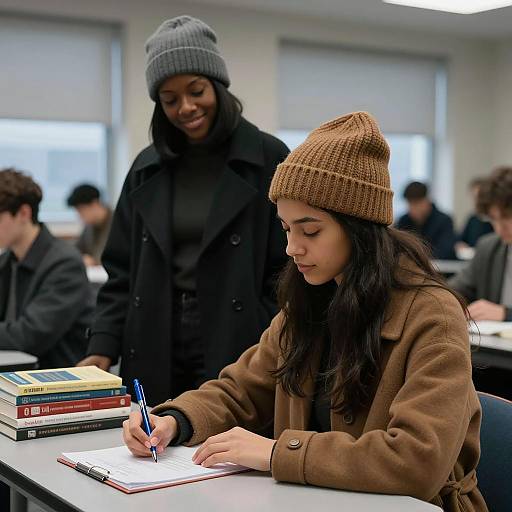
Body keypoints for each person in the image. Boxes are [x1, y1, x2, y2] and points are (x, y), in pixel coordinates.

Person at [124, 113, 486, 512]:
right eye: (285, 229)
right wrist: (175, 420)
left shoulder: (432, 316)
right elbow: (241, 390)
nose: (292, 247)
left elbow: (417, 461)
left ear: (360, 228)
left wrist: (280, 452)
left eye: (310, 231)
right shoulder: (308, 302)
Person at [78, 16, 289, 405]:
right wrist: (103, 346)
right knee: (153, 448)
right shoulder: (146, 167)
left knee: (226, 450)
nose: (186, 107)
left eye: (196, 91)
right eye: (170, 99)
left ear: (218, 86)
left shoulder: (269, 158)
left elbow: (290, 263)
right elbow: (121, 273)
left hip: (239, 333)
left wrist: (267, 325)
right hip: (156, 332)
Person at [0, 168, 92, 368]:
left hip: (52, 383)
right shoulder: (7, 260)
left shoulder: (65, 264)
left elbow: (29, 337)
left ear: (24, 213)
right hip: (14, 376)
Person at [449, 167, 512, 322]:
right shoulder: (489, 247)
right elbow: (454, 289)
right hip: (492, 345)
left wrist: (507, 314)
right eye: (493, 218)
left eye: (506, 217)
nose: (499, 227)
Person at [396, 181, 457, 260]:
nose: (412, 208)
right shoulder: (404, 221)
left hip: (439, 270)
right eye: (409, 203)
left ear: (426, 200)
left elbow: (443, 252)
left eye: (416, 203)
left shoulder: (444, 221)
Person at [67, 184, 113, 267]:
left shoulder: (117, 222)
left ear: (95, 204)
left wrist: (94, 261)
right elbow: (75, 250)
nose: (80, 215)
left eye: (81, 210)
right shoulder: (90, 226)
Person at [456, 177, 493, 250]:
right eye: (474, 197)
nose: (477, 201)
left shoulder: (495, 219)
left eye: (480, 197)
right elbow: (461, 239)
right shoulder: (472, 218)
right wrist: (460, 245)